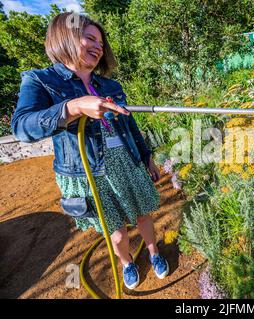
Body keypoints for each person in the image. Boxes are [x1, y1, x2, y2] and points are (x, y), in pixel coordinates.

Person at [11, 12, 169, 290]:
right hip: (87, 175)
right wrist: (72, 107)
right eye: (90, 38)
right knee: (116, 232)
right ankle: (127, 263)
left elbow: (130, 126)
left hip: (127, 163)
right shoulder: (40, 80)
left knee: (144, 214)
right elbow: (22, 128)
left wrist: (146, 157)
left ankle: (154, 253)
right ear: (66, 37)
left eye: (101, 41)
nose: (99, 46)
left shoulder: (110, 86)